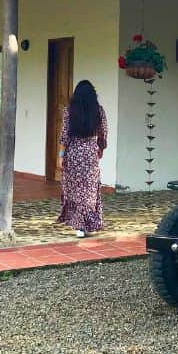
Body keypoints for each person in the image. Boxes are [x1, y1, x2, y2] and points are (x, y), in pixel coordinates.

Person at [56, 80, 108, 238]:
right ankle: (86, 224)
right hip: (90, 155)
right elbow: (103, 133)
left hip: (73, 155)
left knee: (75, 190)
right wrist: (100, 148)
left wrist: (60, 157)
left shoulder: (69, 111)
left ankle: (79, 226)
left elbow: (64, 136)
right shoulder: (99, 111)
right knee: (89, 191)